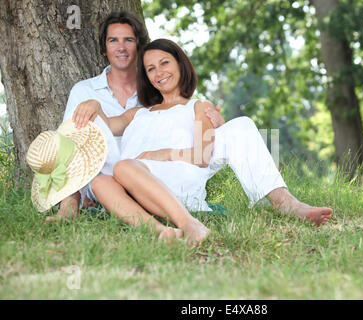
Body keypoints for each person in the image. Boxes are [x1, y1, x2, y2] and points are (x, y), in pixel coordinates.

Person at [72, 39, 333, 242]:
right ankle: (160, 231)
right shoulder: (137, 113)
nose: (158, 72)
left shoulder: (198, 107)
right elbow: (104, 125)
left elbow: (201, 157)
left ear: (179, 64)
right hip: (132, 185)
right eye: (150, 69)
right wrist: (94, 103)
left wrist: (159, 154)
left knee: (124, 166)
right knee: (101, 181)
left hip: (176, 180)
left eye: (164, 63)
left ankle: (192, 224)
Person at [49, 11, 223, 225]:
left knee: (126, 170)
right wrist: (73, 199)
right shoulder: (84, 91)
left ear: (139, 47)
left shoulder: (155, 94)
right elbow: (71, 143)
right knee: (81, 135)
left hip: (152, 174)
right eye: (113, 40)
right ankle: (72, 205)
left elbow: (190, 126)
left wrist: (212, 118)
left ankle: (174, 221)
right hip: (106, 178)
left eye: (128, 40)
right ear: (104, 49)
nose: (121, 47)